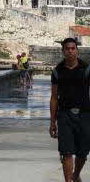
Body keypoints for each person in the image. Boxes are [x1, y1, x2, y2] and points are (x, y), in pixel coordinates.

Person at [50, 37, 90, 182]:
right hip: (64, 115)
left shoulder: (86, 69)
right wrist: (52, 122)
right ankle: (68, 180)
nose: (70, 51)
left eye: (73, 48)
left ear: (77, 51)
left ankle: (76, 174)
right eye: (67, 49)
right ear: (63, 51)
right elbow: (54, 97)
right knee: (66, 152)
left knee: (82, 152)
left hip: (84, 114)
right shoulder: (57, 71)